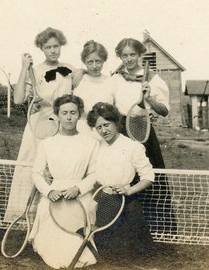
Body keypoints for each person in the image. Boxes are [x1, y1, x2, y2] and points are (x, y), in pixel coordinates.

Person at [4, 27, 76, 221]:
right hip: (38, 127)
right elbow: (19, 99)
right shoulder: (34, 71)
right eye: (48, 47)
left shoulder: (70, 69)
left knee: (60, 169)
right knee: (34, 169)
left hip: (62, 125)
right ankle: (27, 217)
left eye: (56, 46)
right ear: (41, 49)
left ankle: (56, 217)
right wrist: (23, 67)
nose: (53, 50)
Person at [112, 38, 176, 233]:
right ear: (120, 57)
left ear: (140, 55)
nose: (129, 59)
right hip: (120, 133)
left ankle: (158, 230)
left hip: (143, 131)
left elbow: (164, 110)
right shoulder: (115, 78)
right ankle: (122, 230)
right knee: (121, 177)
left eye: (132, 54)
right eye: (124, 55)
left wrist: (148, 99)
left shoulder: (153, 79)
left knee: (147, 176)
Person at [29, 94, 99, 269]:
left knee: (83, 254)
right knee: (53, 251)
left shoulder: (91, 143)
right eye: (65, 113)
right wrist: (49, 192)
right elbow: (36, 173)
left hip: (79, 197)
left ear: (79, 115)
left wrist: (78, 188)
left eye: (73, 113)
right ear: (57, 115)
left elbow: (94, 174)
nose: (69, 117)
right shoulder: (47, 143)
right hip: (54, 197)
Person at [87, 102, 155, 259]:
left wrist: (129, 190)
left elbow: (148, 177)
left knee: (129, 255)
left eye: (106, 125)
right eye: (99, 127)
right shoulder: (95, 146)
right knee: (103, 254)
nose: (103, 130)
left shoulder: (133, 147)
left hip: (126, 202)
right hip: (101, 201)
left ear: (115, 122)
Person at [73, 40, 115, 137]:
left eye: (98, 61)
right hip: (82, 130)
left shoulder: (110, 82)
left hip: (105, 131)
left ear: (104, 60)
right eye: (90, 62)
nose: (94, 66)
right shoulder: (78, 80)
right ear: (84, 62)